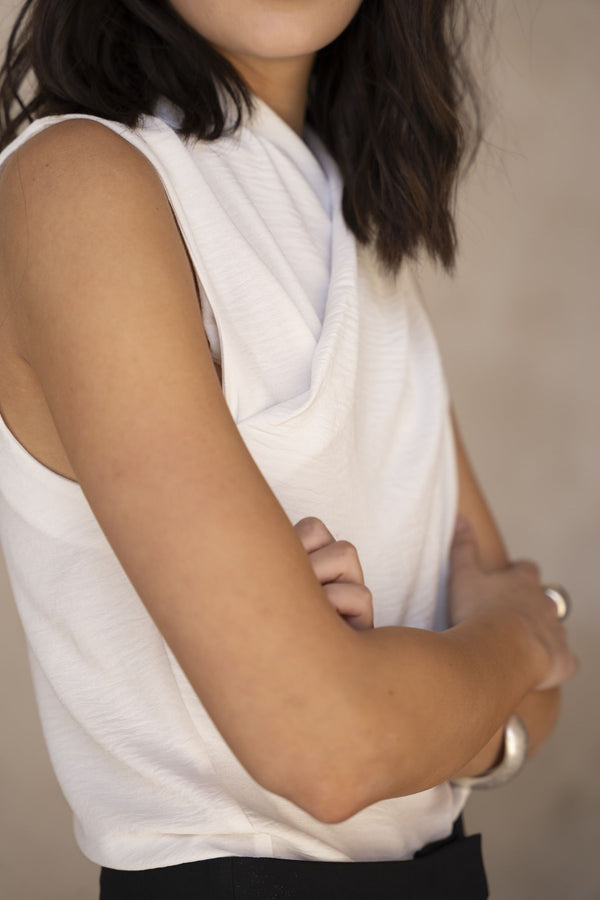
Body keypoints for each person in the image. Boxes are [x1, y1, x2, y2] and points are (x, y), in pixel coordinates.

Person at [0, 1, 578, 897]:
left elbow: (539, 706)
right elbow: (331, 750)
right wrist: (505, 641)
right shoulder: (79, 186)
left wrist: (401, 701)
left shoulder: (350, 214)